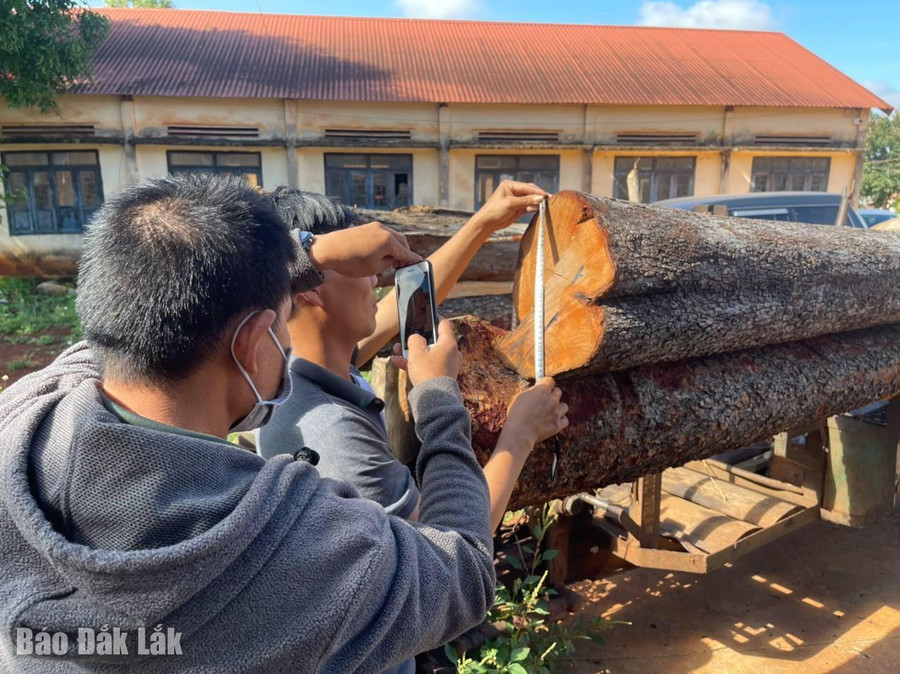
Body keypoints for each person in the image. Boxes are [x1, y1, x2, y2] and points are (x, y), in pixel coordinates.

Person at [0, 175, 497, 672]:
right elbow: (464, 574)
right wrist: (438, 401)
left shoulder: (23, 419)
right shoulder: (286, 542)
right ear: (250, 341)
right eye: (283, 323)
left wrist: (305, 255)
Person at [258, 182, 569, 530]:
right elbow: (450, 548)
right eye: (359, 266)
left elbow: (395, 309)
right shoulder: (336, 436)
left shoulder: (301, 370)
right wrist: (520, 434)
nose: (375, 279)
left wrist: (483, 223)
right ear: (312, 289)